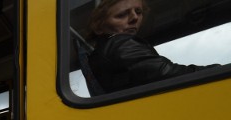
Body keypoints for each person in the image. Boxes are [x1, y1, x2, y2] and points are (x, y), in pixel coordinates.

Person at [87, 0, 219, 93]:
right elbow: (166, 73)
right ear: (98, 28)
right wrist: (219, 70)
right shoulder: (119, 43)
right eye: (121, 15)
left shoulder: (103, 52)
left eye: (138, 11)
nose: (135, 18)